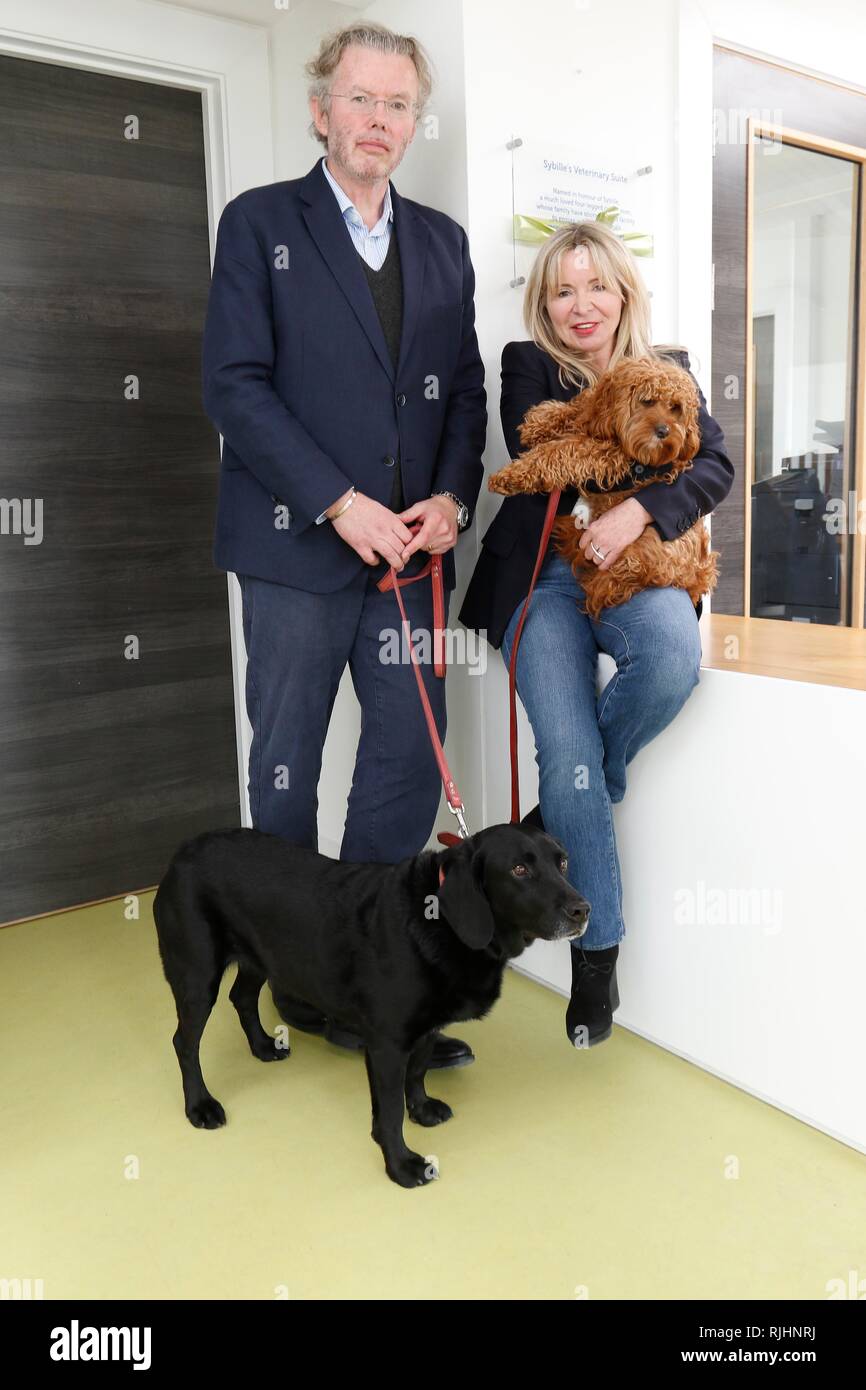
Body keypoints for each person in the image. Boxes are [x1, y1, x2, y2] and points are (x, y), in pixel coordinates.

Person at [202, 21, 487, 1068]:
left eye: (397, 105)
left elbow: (463, 390)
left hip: (413, 558)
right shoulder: (258, 223)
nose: (378, 121)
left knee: (406, 764)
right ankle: (296, 981)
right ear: (320, 109)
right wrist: (337, 502)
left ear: (417, 121)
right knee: (282, 772)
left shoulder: (443, 242)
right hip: (295, 550)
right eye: (359, 100)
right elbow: (233, 384)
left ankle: (375, 981)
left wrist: (451, 497)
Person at [458, 222, 734, 1047]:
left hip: (636, 563)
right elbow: (535, 448)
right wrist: (645, 443)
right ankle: (596, 957)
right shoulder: (525, 365)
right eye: (562, 291)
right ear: (546, 304)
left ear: (624, 293)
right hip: (544, 573)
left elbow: (714, 464)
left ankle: (575, 792)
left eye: (596, 287)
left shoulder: (673, 368)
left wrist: (646, 507)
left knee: (671, 658)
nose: (582, 306)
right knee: (564, 750)